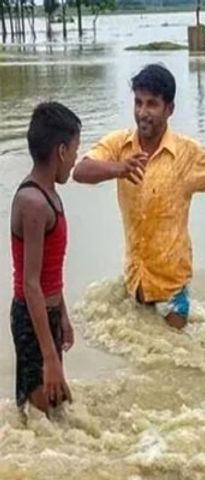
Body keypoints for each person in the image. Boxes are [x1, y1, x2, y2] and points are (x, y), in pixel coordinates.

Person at [73, 64, 205, 330]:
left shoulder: (188, 154)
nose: (142, 113)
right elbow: (80, 172)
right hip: (135, 280)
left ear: (169, 109)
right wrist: (120, 168)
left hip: (171, 287)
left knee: (173, 359)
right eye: (138, 103)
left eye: (152, 104)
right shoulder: (119, 145)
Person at [10, 102, 81, 415]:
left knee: (54, 413)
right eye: (76, 149)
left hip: (47, 314)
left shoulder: (50, 193)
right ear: (62, 151)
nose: (77, 159)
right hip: (31, 317)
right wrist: (49, 358)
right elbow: (30, 283)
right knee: (41, 417)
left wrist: (62, 314)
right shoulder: (33, 203)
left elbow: (51, 271)